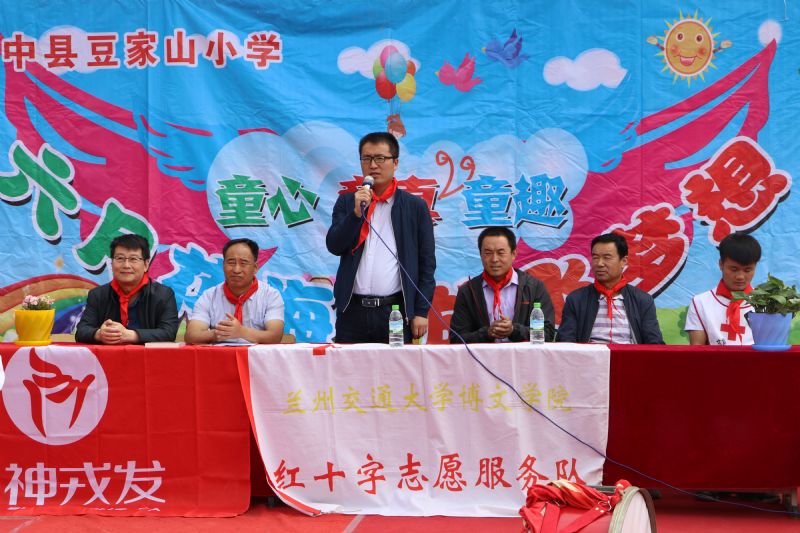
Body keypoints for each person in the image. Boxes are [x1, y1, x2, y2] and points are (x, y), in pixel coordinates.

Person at [326, 132, 436, 343]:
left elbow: (427, 263)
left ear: (395, 163)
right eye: (366, 158)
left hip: (394, 312)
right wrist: (355, 214)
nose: (373, 165)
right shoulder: (348, 203)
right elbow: (334, 245)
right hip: (351, 312)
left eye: (380, 158)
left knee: (395, 364)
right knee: (348, 364)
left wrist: (421, 311)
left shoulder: (415, 207)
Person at [450, 227, 555, 343]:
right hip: (483, 354)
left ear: (513, 254)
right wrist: (487, 333)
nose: (494, 259)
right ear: (480, 255)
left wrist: (514, 330)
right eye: (488, 253)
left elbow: (548, 334)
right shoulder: (468, 291)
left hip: (523, 354)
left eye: (501, 253)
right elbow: (456, 339)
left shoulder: (534, 287)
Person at [558, 233, 664, 344]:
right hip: (590, 354)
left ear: (623, 261)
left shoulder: (642, 300)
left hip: (629, 354)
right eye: (595, 257)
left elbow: (654, 343)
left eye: (607, 258)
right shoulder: (576, 299)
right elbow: (566, 341)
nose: (599, 264)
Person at [76, 234, 179, 344]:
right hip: (108, 355)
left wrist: (130, 335)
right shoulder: (97, 295)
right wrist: (100, 334)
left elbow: (169, 333)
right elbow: (81, 331)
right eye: (120, 258)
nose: (126, 265)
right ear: (111, 263)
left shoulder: (163, 294)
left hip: (147, 355)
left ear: (146, 265)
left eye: (133, 259)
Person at [185, 238, 284, 344]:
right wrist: (218, 333)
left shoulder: (271, 295)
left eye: (243, 263)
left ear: (255, 267)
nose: (236, 270)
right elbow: (191, 336)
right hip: (220, 354)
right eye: (231, 262)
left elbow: (275, 336)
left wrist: (241, 332)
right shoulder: (209, 296)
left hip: (256, 355)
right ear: (223, 265)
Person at [685, 233, 761, 345]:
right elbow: (697, 350)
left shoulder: (767, 304)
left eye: (747, 270)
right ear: (721, 264)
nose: (740, 276)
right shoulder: (700, 303)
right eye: (734, 269)